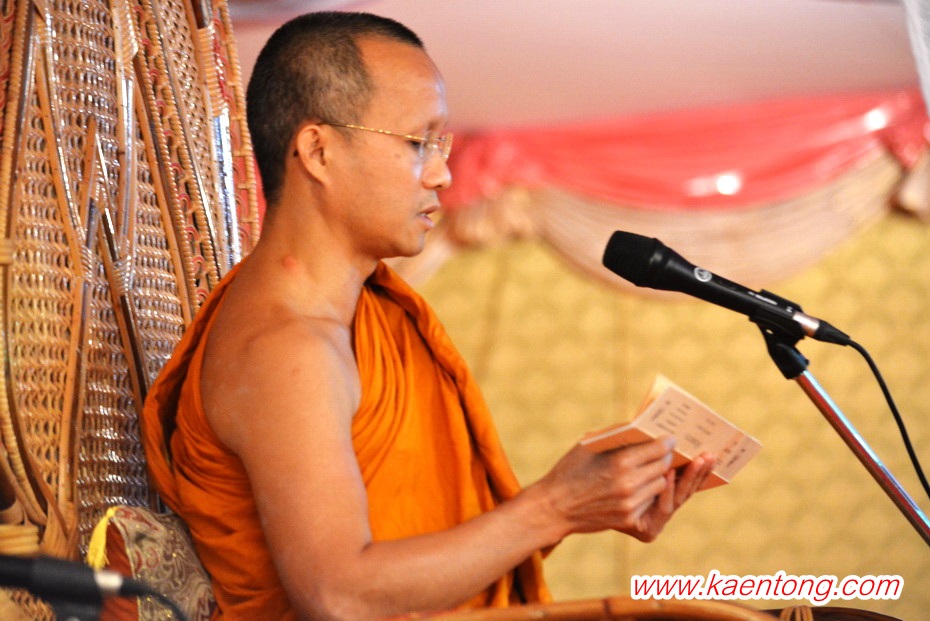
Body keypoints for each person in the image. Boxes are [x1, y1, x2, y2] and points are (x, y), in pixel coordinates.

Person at [141, 11, 716, 621]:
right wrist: (553, 507)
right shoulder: (285, 349)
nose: (442, 174)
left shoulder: (368, 315)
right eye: (419, 143)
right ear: (318, 150)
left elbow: (408, 539)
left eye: (441, 146)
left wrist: (587, 500)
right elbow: (340, 596)